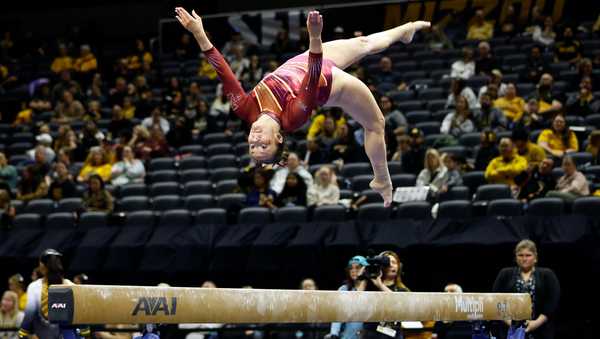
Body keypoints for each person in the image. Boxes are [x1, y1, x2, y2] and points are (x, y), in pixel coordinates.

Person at [175, 7, 430, 206]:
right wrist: (315, 36)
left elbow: (224, 71)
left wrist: (198, 32)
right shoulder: (292, 117)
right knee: (376, 125)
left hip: (298, 63)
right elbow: (313, 74)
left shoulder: (244, 108)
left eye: (253, 146)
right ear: (278, 138)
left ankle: (406, 29)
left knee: (366, 44)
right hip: (330, 83)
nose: (255, 140)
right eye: (263, 145)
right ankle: (382, 179)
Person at [493, 240, 560, 339]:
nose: (524, 259)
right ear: (516, 257)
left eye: (528, 255)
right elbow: (495, 300)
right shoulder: (505, 274)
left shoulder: (547, 274)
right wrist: (511, 323)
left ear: (535, 257)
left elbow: (553, 301)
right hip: (509, 330)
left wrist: (536, 323)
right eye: (520, 255)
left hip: (541, 330)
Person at [19, 249, 89, 339]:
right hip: (66, 333)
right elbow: (82, 309)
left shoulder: (34, 287)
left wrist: (23, 331)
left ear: (41, 266)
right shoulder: (70, 285)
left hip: (46, 332)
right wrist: (85, 330)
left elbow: (30, 312)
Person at [327, 256, 368, 339]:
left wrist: (364, 279)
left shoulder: (372, 289)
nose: (353, 270)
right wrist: (334, 333)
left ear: (365, 269)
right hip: (349, 335)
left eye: (358, 267)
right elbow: (338, 313)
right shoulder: (344, 289)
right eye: (351, 268)